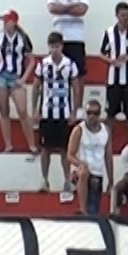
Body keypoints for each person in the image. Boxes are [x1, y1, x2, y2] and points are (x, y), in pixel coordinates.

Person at [33, 31, 78, 192]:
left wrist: (75, 111)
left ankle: (67, 181)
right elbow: (37, 86)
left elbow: (75, 86)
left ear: (62, 46)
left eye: (57, 46)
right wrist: (35, 109)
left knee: (65, 149)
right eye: (52, 47)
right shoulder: (43, 64)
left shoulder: (70, 64)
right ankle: (44, 180)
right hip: (47, 112)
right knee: (46, 148)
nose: (55, 50)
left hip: (64, 112)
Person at [0, 11, 34, 154]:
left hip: (16, 77)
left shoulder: (23, 38)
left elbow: (31, 60)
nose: (5, 24)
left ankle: (31, 144)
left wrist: (24, 78)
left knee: (22, 110)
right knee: (4, 111)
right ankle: (8, 145)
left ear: (14, 22)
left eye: (7, 21)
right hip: (1, 76)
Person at [46, 0, 92, 103]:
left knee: (79, 74)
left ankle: (77, 107)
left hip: (77, 38)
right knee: (57, 72)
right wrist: (72, 6)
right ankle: (58, 103)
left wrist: (62, 7)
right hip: (59, 38)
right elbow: (51, 9)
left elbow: (82, 11)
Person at [98, 1, 128, 123]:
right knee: (110, 115)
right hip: (113, 80)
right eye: (123, 15)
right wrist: (112, 61)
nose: (125, 18)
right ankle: (108, 141)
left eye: (127, 15)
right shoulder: (109, 32)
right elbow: (102, 53)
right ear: (117, 15)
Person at [70, 98, 112, 216]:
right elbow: (70, 154)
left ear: (99, 114)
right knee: (83, 172)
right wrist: (80, 164)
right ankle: (82, 208)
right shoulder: (79, 130)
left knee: (94, 209)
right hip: (83, 171)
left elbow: (108, 156)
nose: (92, 116)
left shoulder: (105, 130)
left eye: (95, 113)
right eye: (89, 113)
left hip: (98, 173)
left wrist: (111, 179)